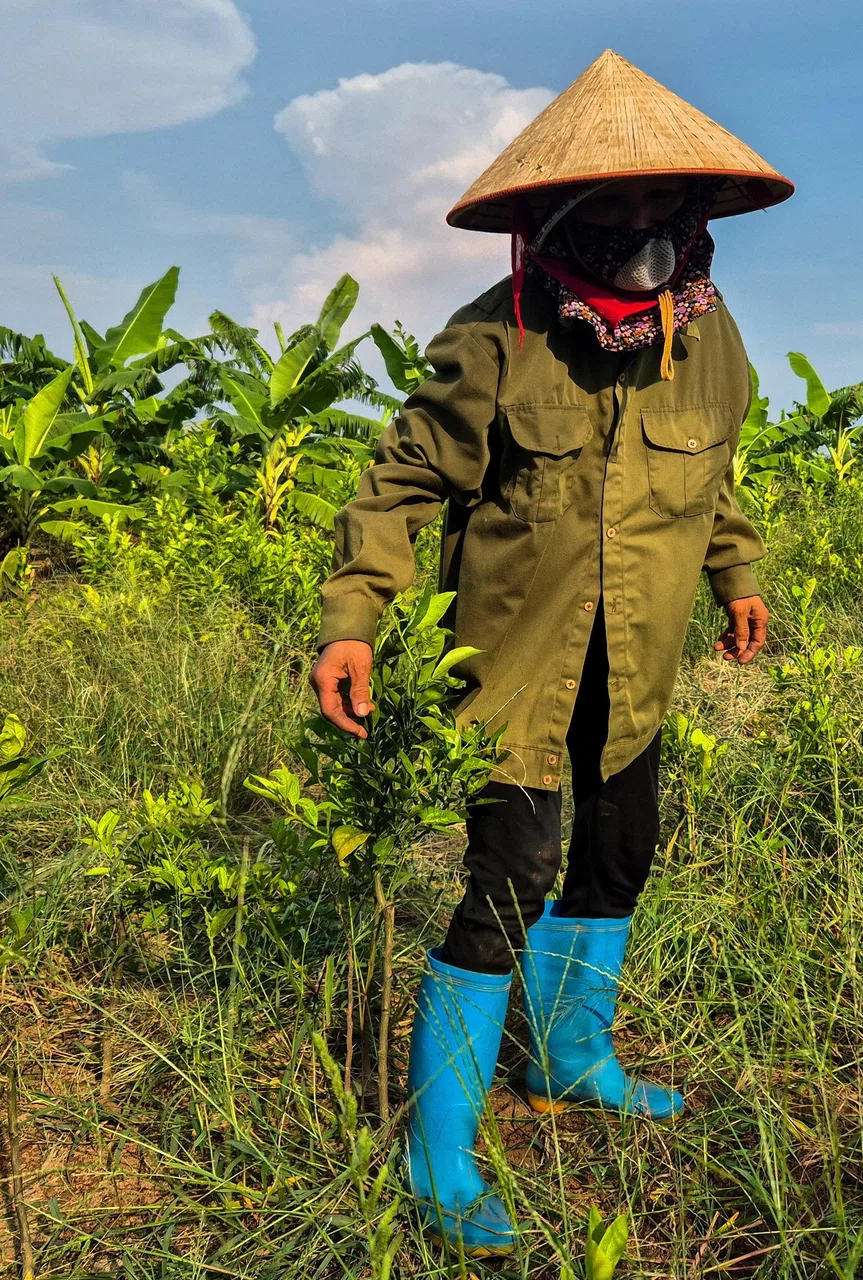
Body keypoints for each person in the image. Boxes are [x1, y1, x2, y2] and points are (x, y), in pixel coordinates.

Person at [308, 49, 793, 1254]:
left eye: (657, 206)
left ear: (689, 215)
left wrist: (738, 572)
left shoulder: (710, 336)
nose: (640, 226)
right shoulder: (499, 337)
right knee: (510, 877)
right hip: (517, 664)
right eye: (612, 205)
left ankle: (574, 1058)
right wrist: (353, 619)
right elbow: (401, 482)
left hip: (639, 663)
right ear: (555, 215)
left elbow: (713, 477)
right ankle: (437, 1146)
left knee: (623, 852)